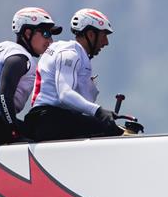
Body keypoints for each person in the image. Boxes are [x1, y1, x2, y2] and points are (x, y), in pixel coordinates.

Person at [0, 7, 62, 146]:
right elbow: (3, 97)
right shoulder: (20, 58)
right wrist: (14, 131)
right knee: (50, 132)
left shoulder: (7, 48)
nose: (50, 41)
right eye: (46, 33)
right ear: (28, 33)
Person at [23, 8, 123, 141]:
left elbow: (81, 103)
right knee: (110, 130)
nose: (106, 42)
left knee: (108, 127)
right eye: (104, 35)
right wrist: (99, 112)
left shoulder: (76, 55)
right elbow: (65, 94)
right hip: (47, 120)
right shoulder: (70, 54)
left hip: (50, 119)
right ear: (91, 34)